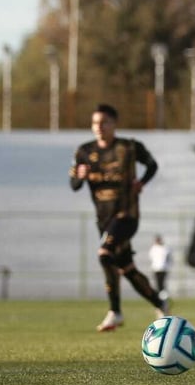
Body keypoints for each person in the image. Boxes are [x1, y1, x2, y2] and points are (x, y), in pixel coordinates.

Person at [69, 103, 169, 332]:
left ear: (114, 124)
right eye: (95, 123)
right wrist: (80, 176)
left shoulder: (130, 147)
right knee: (127, 268)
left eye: (104, 122)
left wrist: (141, 182)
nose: (99, 127)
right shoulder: (84, 151)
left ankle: (115, 312)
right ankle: (160, 302)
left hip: (127, 216)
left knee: (105, 254)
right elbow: (74, 185)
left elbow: (152, 165)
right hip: (103, 219)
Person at [148, 234, 173, 299]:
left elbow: (169, 258)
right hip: (156, 268)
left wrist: (168, 266)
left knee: (162, 284)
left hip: (164, 269)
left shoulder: (165, 248)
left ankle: (163, 298)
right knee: (159, 285)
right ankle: (161, 298)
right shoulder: (153, 248)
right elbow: (151, 258)